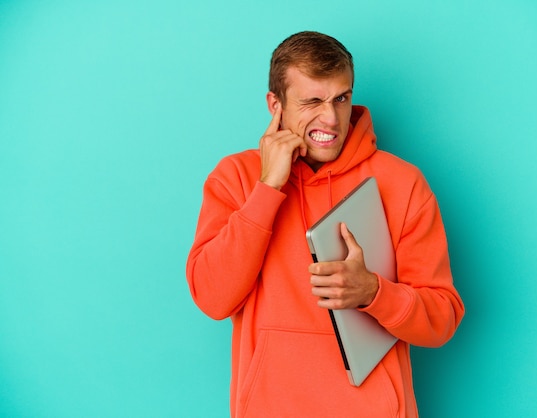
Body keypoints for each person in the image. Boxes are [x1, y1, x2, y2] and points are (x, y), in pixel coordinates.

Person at [186, 31, 464, 417]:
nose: (331, 118)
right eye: (312, 101)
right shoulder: (235, 177)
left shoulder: (402, 183)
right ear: (275, 105)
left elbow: (442, 318)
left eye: (341, 98)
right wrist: (267, 188)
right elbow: (213, 298)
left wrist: (373, 293)